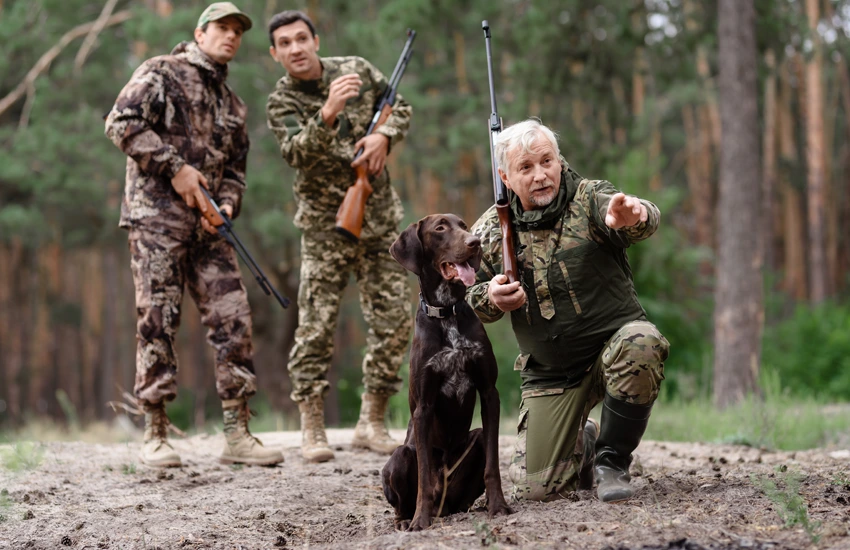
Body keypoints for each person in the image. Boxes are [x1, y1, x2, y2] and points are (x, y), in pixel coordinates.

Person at [104, 2, 283, 468]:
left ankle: (237, 433)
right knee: (157, 321)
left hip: (210, 229)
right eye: (221, 28)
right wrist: (176, 169)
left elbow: (236, 174)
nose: (230, 37)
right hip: (156, 222)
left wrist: (226, 204)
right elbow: (120, 124)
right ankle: (156, 433)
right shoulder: (161, 71)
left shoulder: (233, 103)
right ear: (200, 33)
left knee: (234, 318)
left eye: (237, 31)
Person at [466, 119, 669, 503]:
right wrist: (490, 298)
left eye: (547, 161)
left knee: (642, 341)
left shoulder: (590, 197)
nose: (541, 175)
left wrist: (635, 215)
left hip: (613, 350)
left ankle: (612, 461)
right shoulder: (491, 231)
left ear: (560, 161)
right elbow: (463, 298)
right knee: (537, 491)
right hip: (551, 375)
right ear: (505, 177)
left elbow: (637, 217)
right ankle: (586, 441)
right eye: (526, 168)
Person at [265, 11, 413, 462]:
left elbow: (400, 107)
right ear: (275, 55)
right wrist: (328, 111)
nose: (295, 48)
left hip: (380, 219)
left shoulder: (357, 70)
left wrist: (384, 136)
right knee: (316, 326)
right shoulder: (281, 102)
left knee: (394, 321)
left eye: (301, 39)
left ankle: (372, 421)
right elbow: (296, 154)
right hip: (325, 227)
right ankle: (312, 428)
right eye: (285, 43)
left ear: (316, 40)